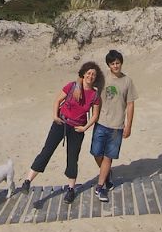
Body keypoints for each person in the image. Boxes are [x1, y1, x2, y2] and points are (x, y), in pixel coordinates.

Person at [21, 62, 102, 204]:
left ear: (95, 78)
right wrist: (55, 116)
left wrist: (85, 128)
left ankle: (71, 189)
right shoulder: (72, 86)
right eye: (88, 73)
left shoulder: (95, 95)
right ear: (83, 74)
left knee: (72, 158)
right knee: (46, 151)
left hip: (77, 129)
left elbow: (95, 116)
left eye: (93, 74)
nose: (90, 76)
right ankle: (27, 181)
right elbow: (57, 100)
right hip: (61, 123)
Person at [90, 49, 137, 202]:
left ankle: (100, 186)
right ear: (109, 65)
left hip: (117, 126)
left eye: (118, 63)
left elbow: (130, 104)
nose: (116, 66)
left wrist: (128, 126)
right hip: (101, 122)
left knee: (108, 157)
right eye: (113, 64)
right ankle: (107, 174)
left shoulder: (127, 81)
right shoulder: (102, 78)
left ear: (121, 63)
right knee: (96, 153)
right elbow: (86, 81)